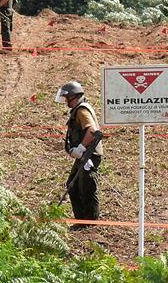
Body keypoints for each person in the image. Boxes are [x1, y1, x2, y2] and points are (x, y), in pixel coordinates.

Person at [55, 81, 104, 229]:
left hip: (89, 155)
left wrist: (81, 147)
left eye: (66, 98)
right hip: (84, 155)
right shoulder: (78, 109)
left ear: (72, 97)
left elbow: (91, 130)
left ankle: (89, 223)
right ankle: (81, 221)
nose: (65, 102)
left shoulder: (82, 110)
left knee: (86, 188)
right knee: (73, 185)